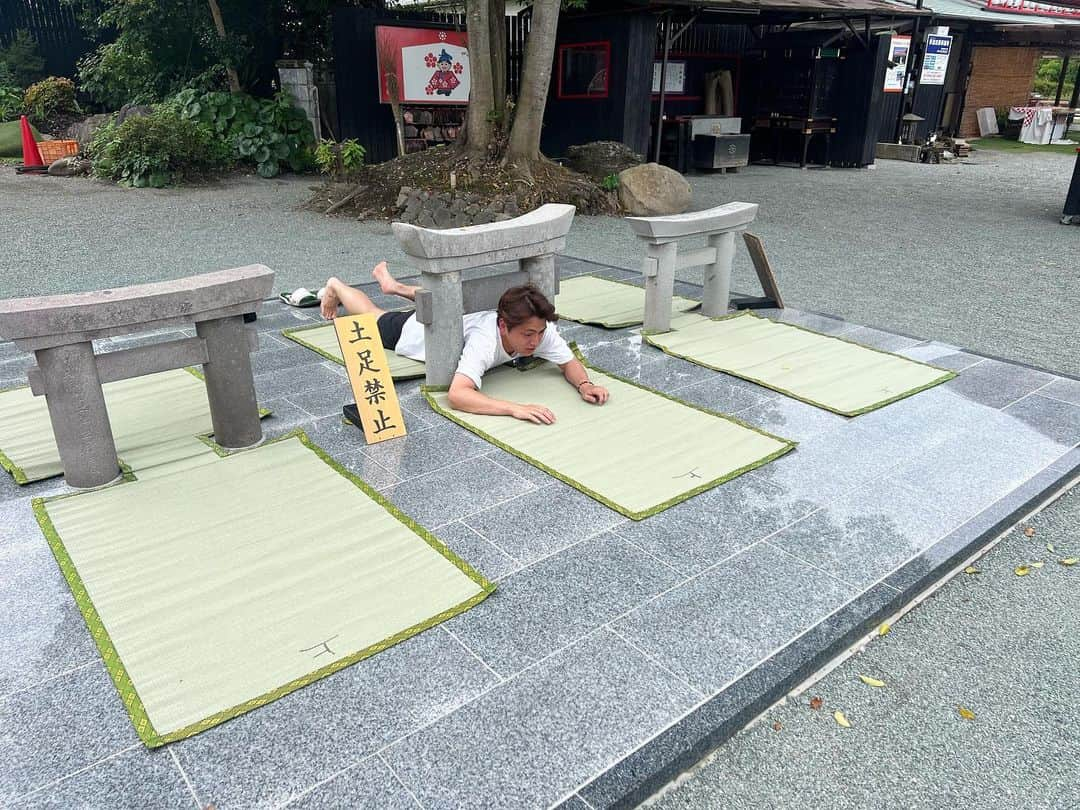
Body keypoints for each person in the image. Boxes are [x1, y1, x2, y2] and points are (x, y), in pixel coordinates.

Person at [321, 263, 609, 424]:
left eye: (539, 333)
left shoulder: (536, 328)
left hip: (457, 317)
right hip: (416, 333)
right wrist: (513, 408)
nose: (535, 341)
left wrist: (586, 385)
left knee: (442, 301)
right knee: (374, 315)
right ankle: (337, 285)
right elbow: (457, 395)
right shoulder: (485, 339)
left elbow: (568, 362)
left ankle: (394, 286)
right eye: (527, 335)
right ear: (504, 326)